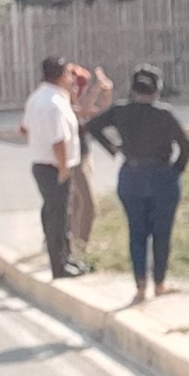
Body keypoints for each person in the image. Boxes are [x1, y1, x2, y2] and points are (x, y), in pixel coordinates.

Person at [85, 65, 189, 304]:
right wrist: (175, 171)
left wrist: (113, 148)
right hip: (162, 176)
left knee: (137, 233)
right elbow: (185, 145)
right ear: (156, 90)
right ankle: (160, 283)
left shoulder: (120, 111)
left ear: (133, 88)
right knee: (161, 233)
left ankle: (140, 287)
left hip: (131, 176)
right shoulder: (164, 114)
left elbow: (92, 125)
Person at [20, 56, 86, 278]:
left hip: (41, 163)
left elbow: (24, 128)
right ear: (62, 75)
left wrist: (38, 142)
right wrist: (64, 167)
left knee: (57, 213)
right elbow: (58, 140)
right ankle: (60, 265)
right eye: (68, 73)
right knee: (58, 217)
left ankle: (66, 258)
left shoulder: (37, 98)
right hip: (55, 166)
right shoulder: (55, 104)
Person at [63, 61, 114, 257]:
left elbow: (100, 109)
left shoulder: (77, 101)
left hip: (83, 154)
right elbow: (82, 110)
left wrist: (106, 91)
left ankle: (74, 245)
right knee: (88, 203)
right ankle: (79, 249)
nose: (78, 90)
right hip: (72, 159)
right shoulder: (62, 103)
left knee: (77, 203)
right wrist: (96, 89)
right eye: (74, 85)